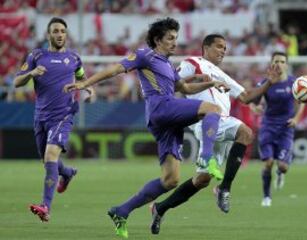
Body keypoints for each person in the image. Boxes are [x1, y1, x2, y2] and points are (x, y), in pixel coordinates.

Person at [63, 17, 229, 239]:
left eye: (176, 38)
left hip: (166, 120)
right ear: (158, 40)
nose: (174, 42)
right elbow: (116, 69)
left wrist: (210, 83)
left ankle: (121, 211)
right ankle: (207, 158)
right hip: (162, 107)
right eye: (170, 38)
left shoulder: (168, 66)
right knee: (213, 109)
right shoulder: (145, 55)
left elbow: (185, 87)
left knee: (170, 179)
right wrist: (85, 83)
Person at [149, 34, 280, 235]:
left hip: (220, 124)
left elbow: (245, 97)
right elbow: (174, 83)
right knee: (246, 133)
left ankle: (160, 208)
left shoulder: (222, 74)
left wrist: (268, 83)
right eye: (219, 46)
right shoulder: (192, 62)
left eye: (225, 48)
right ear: (206, 47)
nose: (223, 51)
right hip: (206, 120)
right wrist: (200, 80)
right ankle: (224, 189)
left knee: (202, 180)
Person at [14, 17, 95, 222]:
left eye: (63, 31)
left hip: (64, 114)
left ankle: (45, 207)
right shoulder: (36, 56)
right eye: (56, 31)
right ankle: (66, 173)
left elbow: (82, 77)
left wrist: (89, 88)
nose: (60, 35)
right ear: (49, 34)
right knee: (47, 160)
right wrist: (31, 73)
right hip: (40, 116)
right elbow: (16, 82)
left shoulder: (74, 58)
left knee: (50, 156)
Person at [250, 51, 305, 207]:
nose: (279, 64)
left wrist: (296, 119)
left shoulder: (294, 83)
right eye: (276, 61)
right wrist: (256, 108)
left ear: (286, 65)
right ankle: (267, 196)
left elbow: (302, 103)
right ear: (271, 64)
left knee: (283, 166)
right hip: (268, 126)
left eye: (282, 61)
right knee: (267, 163)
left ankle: (280, 173)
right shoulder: (266, 83)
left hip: (286, 129)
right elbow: (254, 101)